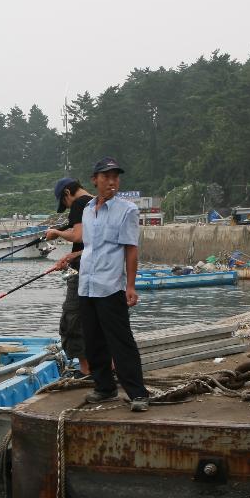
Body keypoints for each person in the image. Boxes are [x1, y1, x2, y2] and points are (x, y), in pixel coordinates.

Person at [77, 157, 148, 411]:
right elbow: (90, 248)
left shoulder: (127, 210)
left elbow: (131, 250)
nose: (112, 182)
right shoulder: (87, 210)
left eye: (115, 177)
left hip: (110, 286)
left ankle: (138, 393)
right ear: (95, 180)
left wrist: (130, 286)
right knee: (93, 340)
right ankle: (104, 388)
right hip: (86, 285)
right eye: (106, 177)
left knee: (120, 340)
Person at [46, 177, 93, 377]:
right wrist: (71, 255)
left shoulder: (79, 203)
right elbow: (91, 243)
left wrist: (56, 232)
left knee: (72, 320)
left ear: (67, 193)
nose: (66, 206)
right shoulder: (95, 202)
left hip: (83, 273)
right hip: (97, 270)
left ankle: (86, 371)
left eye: (64, 202)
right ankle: (105, 369)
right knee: (96, 321)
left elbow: (79, 236)